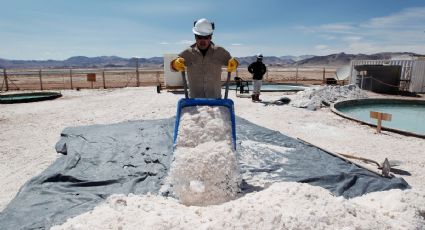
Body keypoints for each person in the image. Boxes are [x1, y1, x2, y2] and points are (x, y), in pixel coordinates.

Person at [170, 18, 238, 98]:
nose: (203, 40)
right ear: (195, 37)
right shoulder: (187, 53)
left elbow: (233, 63)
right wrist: (174, 64)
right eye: (199, 37)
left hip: (215, 101)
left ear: (211, 37)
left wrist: (235, 63)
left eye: (206, 37)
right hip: (194, 102)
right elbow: (172, 68)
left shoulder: (220, 51)